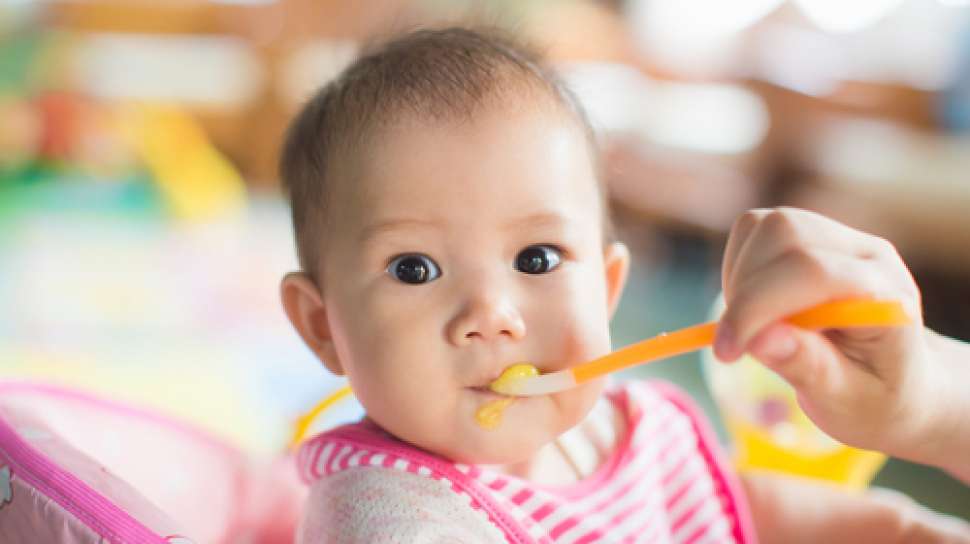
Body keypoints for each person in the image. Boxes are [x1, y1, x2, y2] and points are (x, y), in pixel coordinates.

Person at [279, 27, 970, 543]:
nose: (490, 315)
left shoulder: (633, 431)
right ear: (321, 325)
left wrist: (907, 531)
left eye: (538, 258)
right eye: (414, 269)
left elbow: (743, 513)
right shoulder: (386, 512)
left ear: (607, 290)